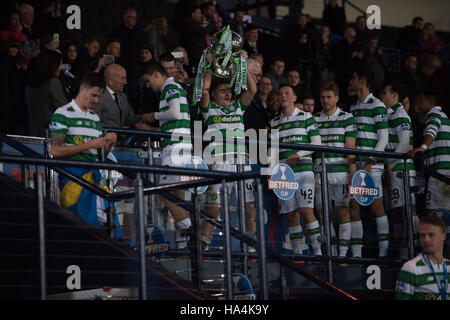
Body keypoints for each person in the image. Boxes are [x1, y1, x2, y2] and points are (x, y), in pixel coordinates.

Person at [199, 55, 258, 250]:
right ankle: (203, 245)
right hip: (219, 163)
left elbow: (252, 90)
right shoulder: (209, 110)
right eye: (222, 91)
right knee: (214, 209)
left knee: (249, 208)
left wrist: (243, 64)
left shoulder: (237, 108)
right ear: (214, 94)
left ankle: (252, 246)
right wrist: (210, 66)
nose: (227, 94)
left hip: (243, 163)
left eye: (229, 91)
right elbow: (203, 90)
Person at [50, 72, 120, 232]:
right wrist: (89, 144)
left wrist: (108, 144)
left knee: (105, 225)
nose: (96, 100)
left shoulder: (95, 118)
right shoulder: (62, 113)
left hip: (94, 177)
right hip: (72, 178)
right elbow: (54, 150)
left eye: (99, 96)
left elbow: (100, 155)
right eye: (94, 95)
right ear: (83, 88)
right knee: (83, 227)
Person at [142, 62, 193, 249]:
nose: (148, 86)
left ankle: (189, 230)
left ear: (156, 74)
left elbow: (175, 113)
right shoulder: (174, 88)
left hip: (175, 149)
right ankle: (184, 244)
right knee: (179, 197)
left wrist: (152, 116)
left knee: (162, 192)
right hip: (182, 146)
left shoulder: (170, 87)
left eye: (148, 81)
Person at [270, 84, 323, 255]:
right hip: (285, 176)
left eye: (287, 93)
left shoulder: (306, 117)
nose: (283, 95)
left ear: (294, 98)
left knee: (307, 212)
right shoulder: (274, 122)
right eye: (280, 93)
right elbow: (273, 152)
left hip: (304, 171)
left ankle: (318, 253)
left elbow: (316, 144)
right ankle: (298, 256)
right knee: (291, 215)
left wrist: (298, 154)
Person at [349, 67, 390, 257]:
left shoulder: (377, 105)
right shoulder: (353, 107)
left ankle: (383, 255)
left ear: (362, 80)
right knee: (353, 207)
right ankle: (357, 256)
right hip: (356, 165)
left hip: (371, 166)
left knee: (377, 207)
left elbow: (384, 138)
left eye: (354, 77)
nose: (351, 81)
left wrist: (370, 161)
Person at [313, 81, 357, 257]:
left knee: (342, 212)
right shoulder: (314, 119)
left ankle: (342, 254)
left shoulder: (347, 118)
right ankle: (331, 252)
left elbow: (350, 148)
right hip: (320, 173)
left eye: (329, 97)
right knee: (323, 214)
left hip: (340, 172)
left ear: (337, 98)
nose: (325, 100)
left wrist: (352, 170)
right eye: (322, 97)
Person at [382, 82, 420, 253]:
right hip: (394, 168)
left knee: (407, 209)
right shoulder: (390, 114)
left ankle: (415, 248)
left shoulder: (400, 114)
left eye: (385, 93)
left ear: (395, 95)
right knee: (397, 210)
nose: (382, 96)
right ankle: (401, 250)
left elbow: (404, 145)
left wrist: (389, 166)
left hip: (402, 169)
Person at [408, 94, 450, 212]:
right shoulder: (445, 117)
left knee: (435, 212)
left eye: (421, 100)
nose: (417, 103)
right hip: (446, 171)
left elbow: (431, 131)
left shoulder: (433, 114)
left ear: (430, 102)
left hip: (439, 174)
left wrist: (423, 147)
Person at [396, 215, 449, 300]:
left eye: (431, 235)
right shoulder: (410, 268)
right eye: (422, 235)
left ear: (443, 236)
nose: (426, 240)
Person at [94, 64, 153, 130]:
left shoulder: (123, 96)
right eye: (122, 78)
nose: (125, 82)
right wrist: (118, 130)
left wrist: (144, 117)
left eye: (125, 78)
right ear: (110, 81)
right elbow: (94, 124)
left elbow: (130, 119)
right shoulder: (98, 97)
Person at [110, 8, 148, 111]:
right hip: (121, 66)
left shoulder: (140, 33)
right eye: (131, 17)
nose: (133, 20)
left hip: (135, 69)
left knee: (135, 94)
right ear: (124, 17)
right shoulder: (117, 31)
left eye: (135, 18)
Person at [28, 49, 68, 137]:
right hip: (50, 137)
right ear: (52, 65)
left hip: (32, 135)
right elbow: (64, 110)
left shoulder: (30, 85)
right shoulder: (53, 83)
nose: (61, 67)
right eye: (60, 63)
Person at [332, 26, 363, 99]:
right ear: (345, 35)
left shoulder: (356, 46)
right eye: (350, 36)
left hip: (352, 76)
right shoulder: (338, 45)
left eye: (354, 37)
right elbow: (337, 59)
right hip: (341, 75)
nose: (352, 39)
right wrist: (351, 55)